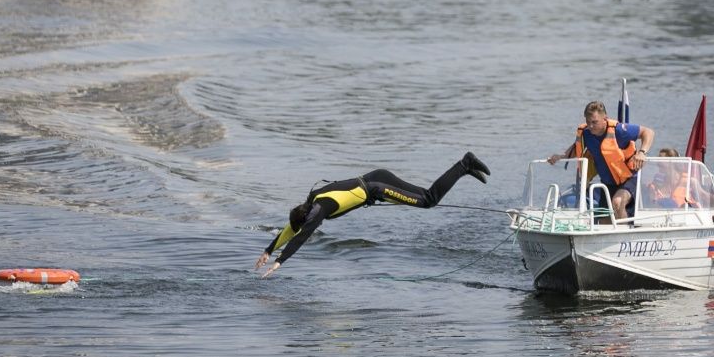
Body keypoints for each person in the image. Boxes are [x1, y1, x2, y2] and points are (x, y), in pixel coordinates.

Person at [255, 152, 491, 278]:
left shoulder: (320, 209)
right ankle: (465, 167)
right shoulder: (310, 202)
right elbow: (292, 229)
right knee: (428, 195)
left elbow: (300, 236)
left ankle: (465, 164)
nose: (307, 225)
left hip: (377, 186)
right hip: (377, 177)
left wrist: (279, 262)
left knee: (428, 201)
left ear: (307, 219)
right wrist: (268, 250)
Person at [548, 101, 654, 221]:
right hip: (608, 183)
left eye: (594, 122)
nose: (591, 126)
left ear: (605, 119)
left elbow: (648, 132)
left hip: (629, 178)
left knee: (617, 202)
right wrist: (560, 157)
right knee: (603, 219)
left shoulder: (619, 131)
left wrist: (642, 152)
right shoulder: (586, 134)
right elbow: (576, 149)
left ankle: (624, 237)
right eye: (588, 122)